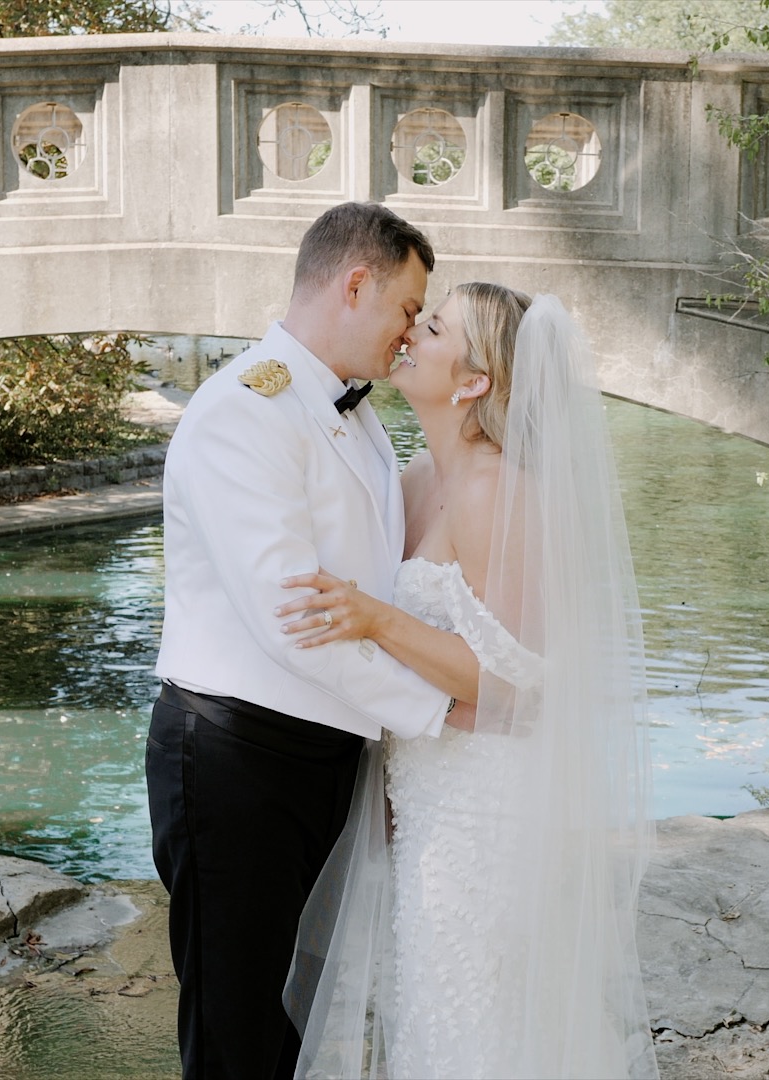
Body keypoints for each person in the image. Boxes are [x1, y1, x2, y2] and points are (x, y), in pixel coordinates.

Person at [275, 284, 659, 1078]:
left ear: (475, 381)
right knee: (427, 1013)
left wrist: (375, 620)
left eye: (435, 324)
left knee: (473, 1023)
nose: (412, 329)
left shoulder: (499, 490)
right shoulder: (416, 481)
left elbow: (517, 683)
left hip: (488, 810)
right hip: (422, 799)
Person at [148, 202, 463, 1080]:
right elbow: (297, 623)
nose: (409, 334)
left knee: (297, 1018)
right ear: (355, 284)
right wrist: (440, 712)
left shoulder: (357, 418)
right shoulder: (242, 413)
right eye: (407, 310)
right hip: (234, 761)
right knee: (235, 1027)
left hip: (324, 760)